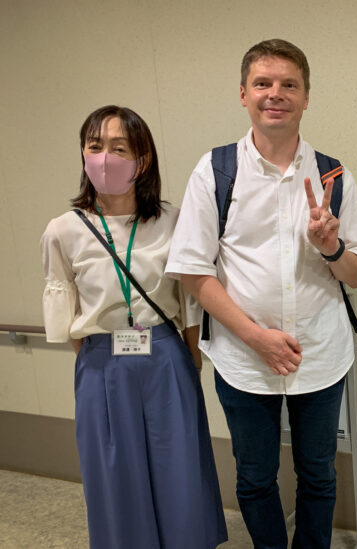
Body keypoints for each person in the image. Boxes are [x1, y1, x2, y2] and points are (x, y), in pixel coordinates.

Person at [166, 39, 357, 548]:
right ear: (244, 94)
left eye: (289, 85)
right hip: (243, 357)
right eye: (263, 83)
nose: (275, 94)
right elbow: (194, 272)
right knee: (256, 476)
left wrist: (331, 247)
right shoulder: (215, 170)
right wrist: (256, 337)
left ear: (306, 97)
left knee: (319, 475)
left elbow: (356, 275)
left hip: (319, 354)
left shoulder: (332, 175)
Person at [41, 105, 227, 549]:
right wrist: (99, 359)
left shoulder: (172, 220)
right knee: (114, 472)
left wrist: (190, 359)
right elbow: (67, 317)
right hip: (101, 364)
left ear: (142, 160)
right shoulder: (62, 231)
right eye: (95, 146)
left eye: (119, 148)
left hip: (166, 358)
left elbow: (189, 300)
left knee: (179, 467)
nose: (105, 157)